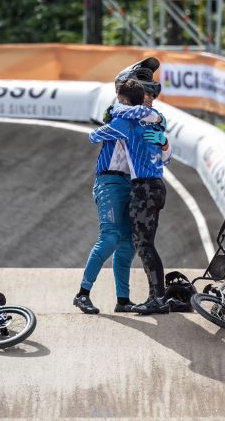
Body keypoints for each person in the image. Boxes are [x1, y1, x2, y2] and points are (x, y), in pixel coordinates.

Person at [73, 79, 164, 315]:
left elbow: (160, 141)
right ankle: (82, 294)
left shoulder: (142, 117)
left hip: (130, 182)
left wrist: (162, 134)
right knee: (111, 237)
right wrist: (118, 109)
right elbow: (94, 135)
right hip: (109, 180)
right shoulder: (119, 115)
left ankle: (123, 299)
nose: (150, 99)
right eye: (146, 94)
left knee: (127, 243)